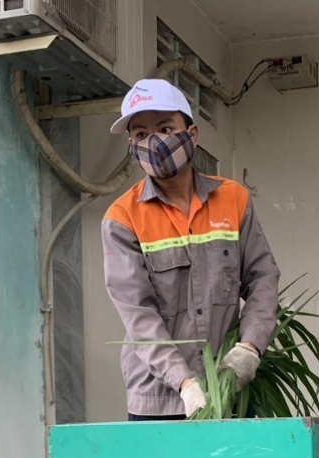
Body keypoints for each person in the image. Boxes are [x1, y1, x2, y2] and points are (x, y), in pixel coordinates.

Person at [101, 78, 280, 420]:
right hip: (158, 399)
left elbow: (262, 277)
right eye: (140, 134)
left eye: (165, 128)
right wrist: (184, 382)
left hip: (230, 389)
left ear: (192, 134)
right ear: (131, 145)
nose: (153, 142)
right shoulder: (122, 218)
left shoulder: (233, 199)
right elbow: (138, 314)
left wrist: (250, 346)